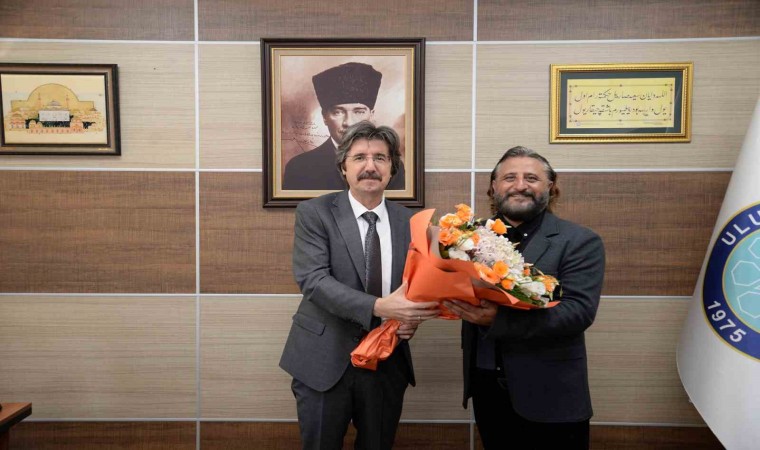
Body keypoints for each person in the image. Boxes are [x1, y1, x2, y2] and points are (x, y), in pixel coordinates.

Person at [280, 121, 438, 449]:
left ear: (392, 168)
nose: (370, 166)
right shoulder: (315, 213)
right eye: (360, 157)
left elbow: (418, 286)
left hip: (386, 360)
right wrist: (380, 307)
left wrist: (412, 317)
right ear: (344, 167)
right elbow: (313, 281)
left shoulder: (411, 222)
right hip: (323, 359)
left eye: (380, 158)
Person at [443, 146, 605, 449]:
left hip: (552, 396)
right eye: (509, 178)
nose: (520, 185)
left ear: (551, 187)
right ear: (494, 186)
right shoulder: (466, 238)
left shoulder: (579, 241)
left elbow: (578, 312)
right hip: (487, 391)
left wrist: (498, 319)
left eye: (531, 178)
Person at [282, 62, 405, 191]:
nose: (349, 122)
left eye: (358, 112)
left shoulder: (392, 166)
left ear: (371, 115)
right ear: (324, 117)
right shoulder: (300, 168)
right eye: (338, 112)